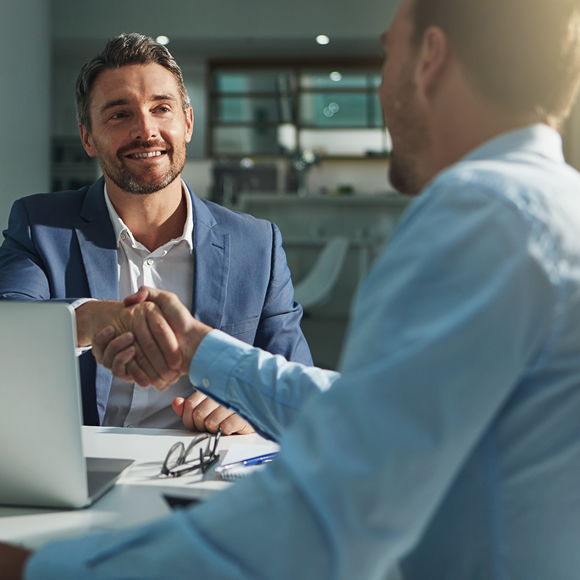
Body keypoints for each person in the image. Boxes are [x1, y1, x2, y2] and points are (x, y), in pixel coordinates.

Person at [3, 0, 580, 577]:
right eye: (120, 113)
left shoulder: (481, 217)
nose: (380, 87)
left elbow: (327, 512)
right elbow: (361, 413)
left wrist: (47, 568)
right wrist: (203, 350)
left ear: (428, 58)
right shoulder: (553, 207)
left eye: (386, 54)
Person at [0, 33, 312, 434]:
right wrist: (99, 319)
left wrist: (251, 408)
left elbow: (297, 385)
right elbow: (9, 327)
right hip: (79, 471)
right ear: (87, 138)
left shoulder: (257, 244)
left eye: (161, 108)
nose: (145, 130)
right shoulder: (38, 225)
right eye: (119, 114)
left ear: (187, 122)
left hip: (203, 470)